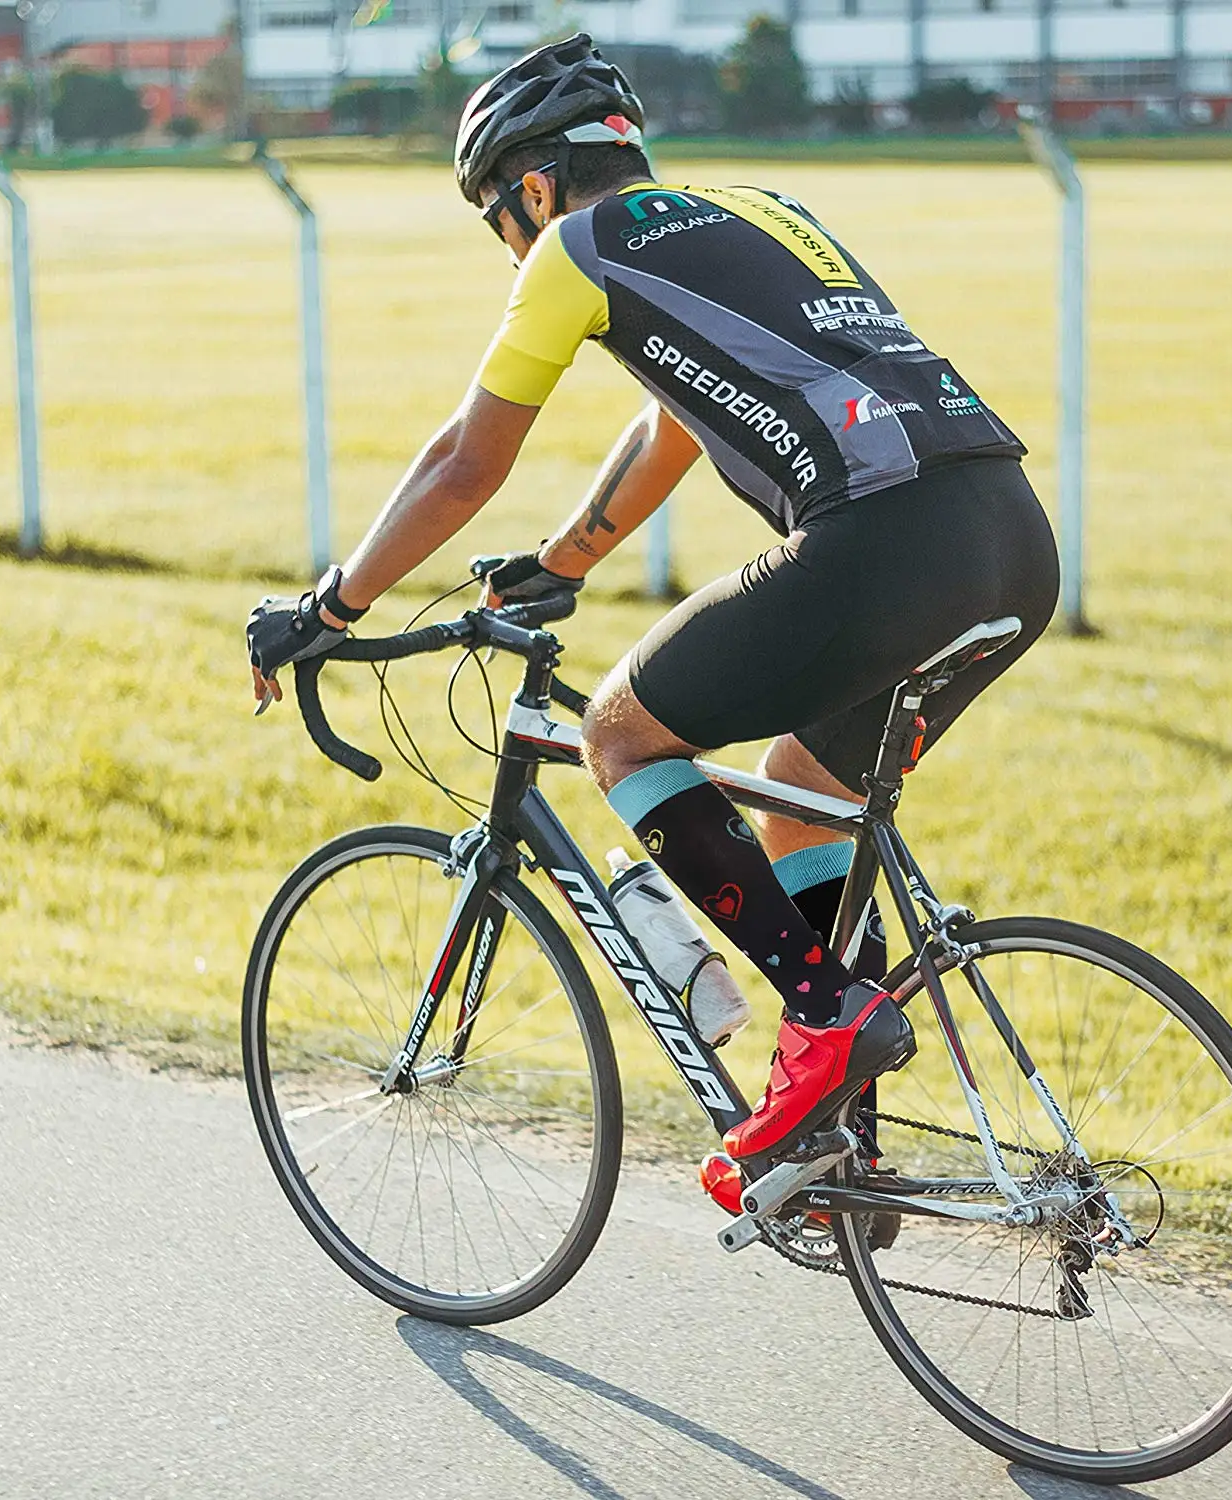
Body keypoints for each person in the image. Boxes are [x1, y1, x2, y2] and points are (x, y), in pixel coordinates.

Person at [246, 34, 1059, 1216]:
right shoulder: (761, 211)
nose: (508, 246)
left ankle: (825, 1023)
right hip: (1011, 538)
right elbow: (677, 421)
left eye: (497, 219)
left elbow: (466, 461)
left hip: (882, 543)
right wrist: (565, 559)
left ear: (533, 189)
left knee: (622, 735)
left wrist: (331, 606)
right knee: (798, 788)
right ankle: (843, 1151)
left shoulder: (572, 249)